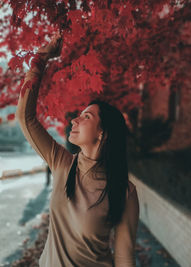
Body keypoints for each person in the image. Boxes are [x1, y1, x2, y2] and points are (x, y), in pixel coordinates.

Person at [16, 34, 140, 267]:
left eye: (86, 116)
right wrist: (40, 59)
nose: (75, 120)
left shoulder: (125, 192)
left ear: (102, 133)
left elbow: (124, 257)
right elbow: (25, 117)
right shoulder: (63, 163)